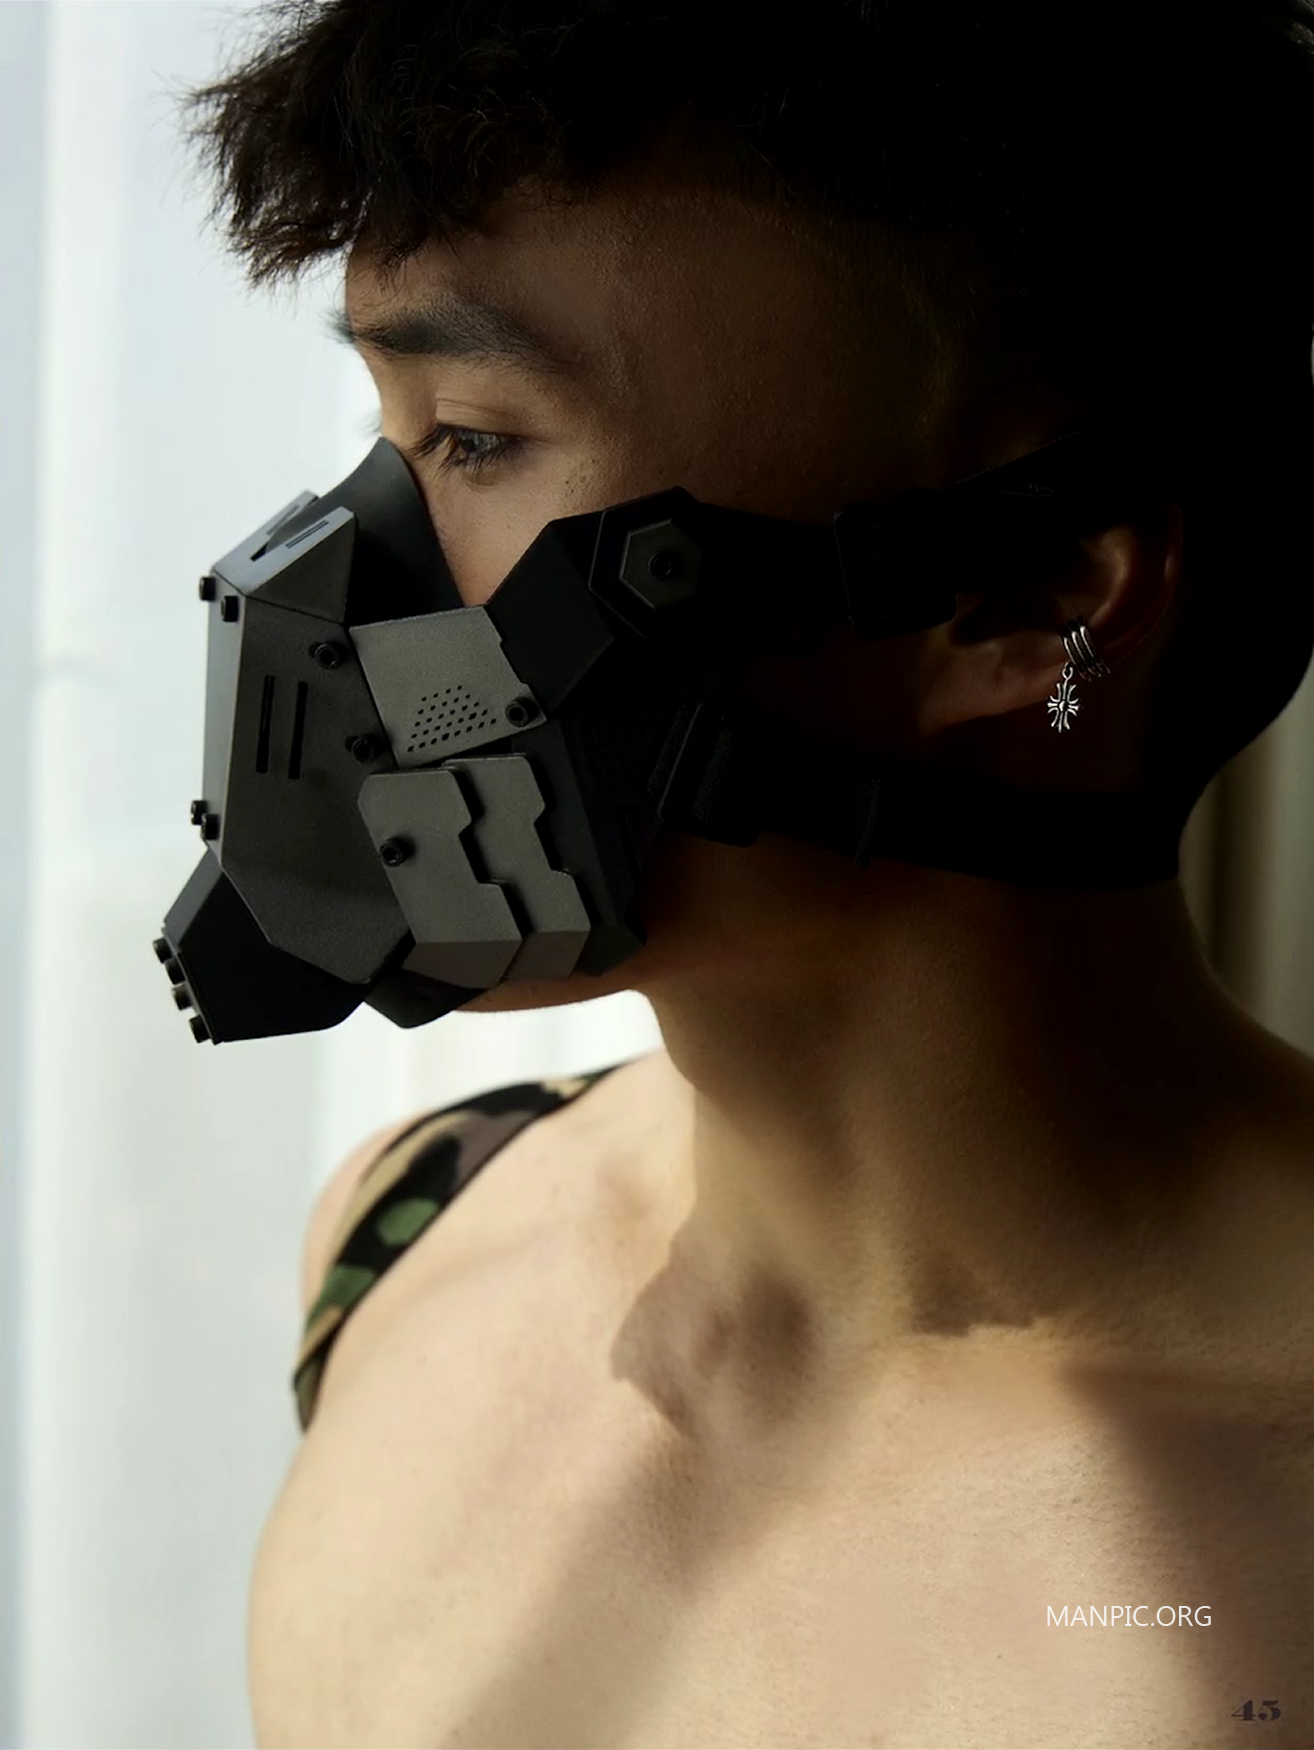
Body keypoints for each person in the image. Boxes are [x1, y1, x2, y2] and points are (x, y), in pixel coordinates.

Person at [175, 2, 1314, 1744]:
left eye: (476, 438)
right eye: (390, 432)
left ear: (1027, 603)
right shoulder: (410, 1235)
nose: (335, 569)